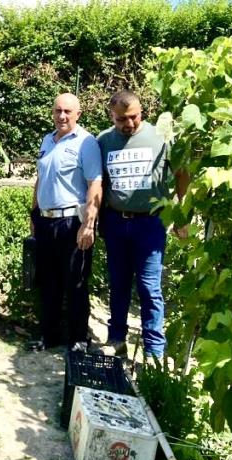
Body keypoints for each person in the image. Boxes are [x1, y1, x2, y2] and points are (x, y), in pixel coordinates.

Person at [96, 90, 189, 361]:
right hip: (115, 221)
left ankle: (154, 351)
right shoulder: (104, 141)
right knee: (119, 284)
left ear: (141, 112)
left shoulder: (160, 138)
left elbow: (183, 173)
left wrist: (181, 215)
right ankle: (117, 340)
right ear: (112, 116)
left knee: (150, 287)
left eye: (134, 117)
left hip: (150, 223)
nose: (129, 124)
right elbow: (99, 182)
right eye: (122, 119)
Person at [29, 93, 103, 351]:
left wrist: (89, 224)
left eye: (68, 112)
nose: (62, 116)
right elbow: (41, 177)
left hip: (73, 223)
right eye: (58, 110)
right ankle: (48, 337)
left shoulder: (86, 143)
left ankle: (78, 341)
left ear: (78, 114)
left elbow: (95, 182)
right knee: (48, 282)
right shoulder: (47, 140)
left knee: (76, 283)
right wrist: (34, 213)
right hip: (46, 222)